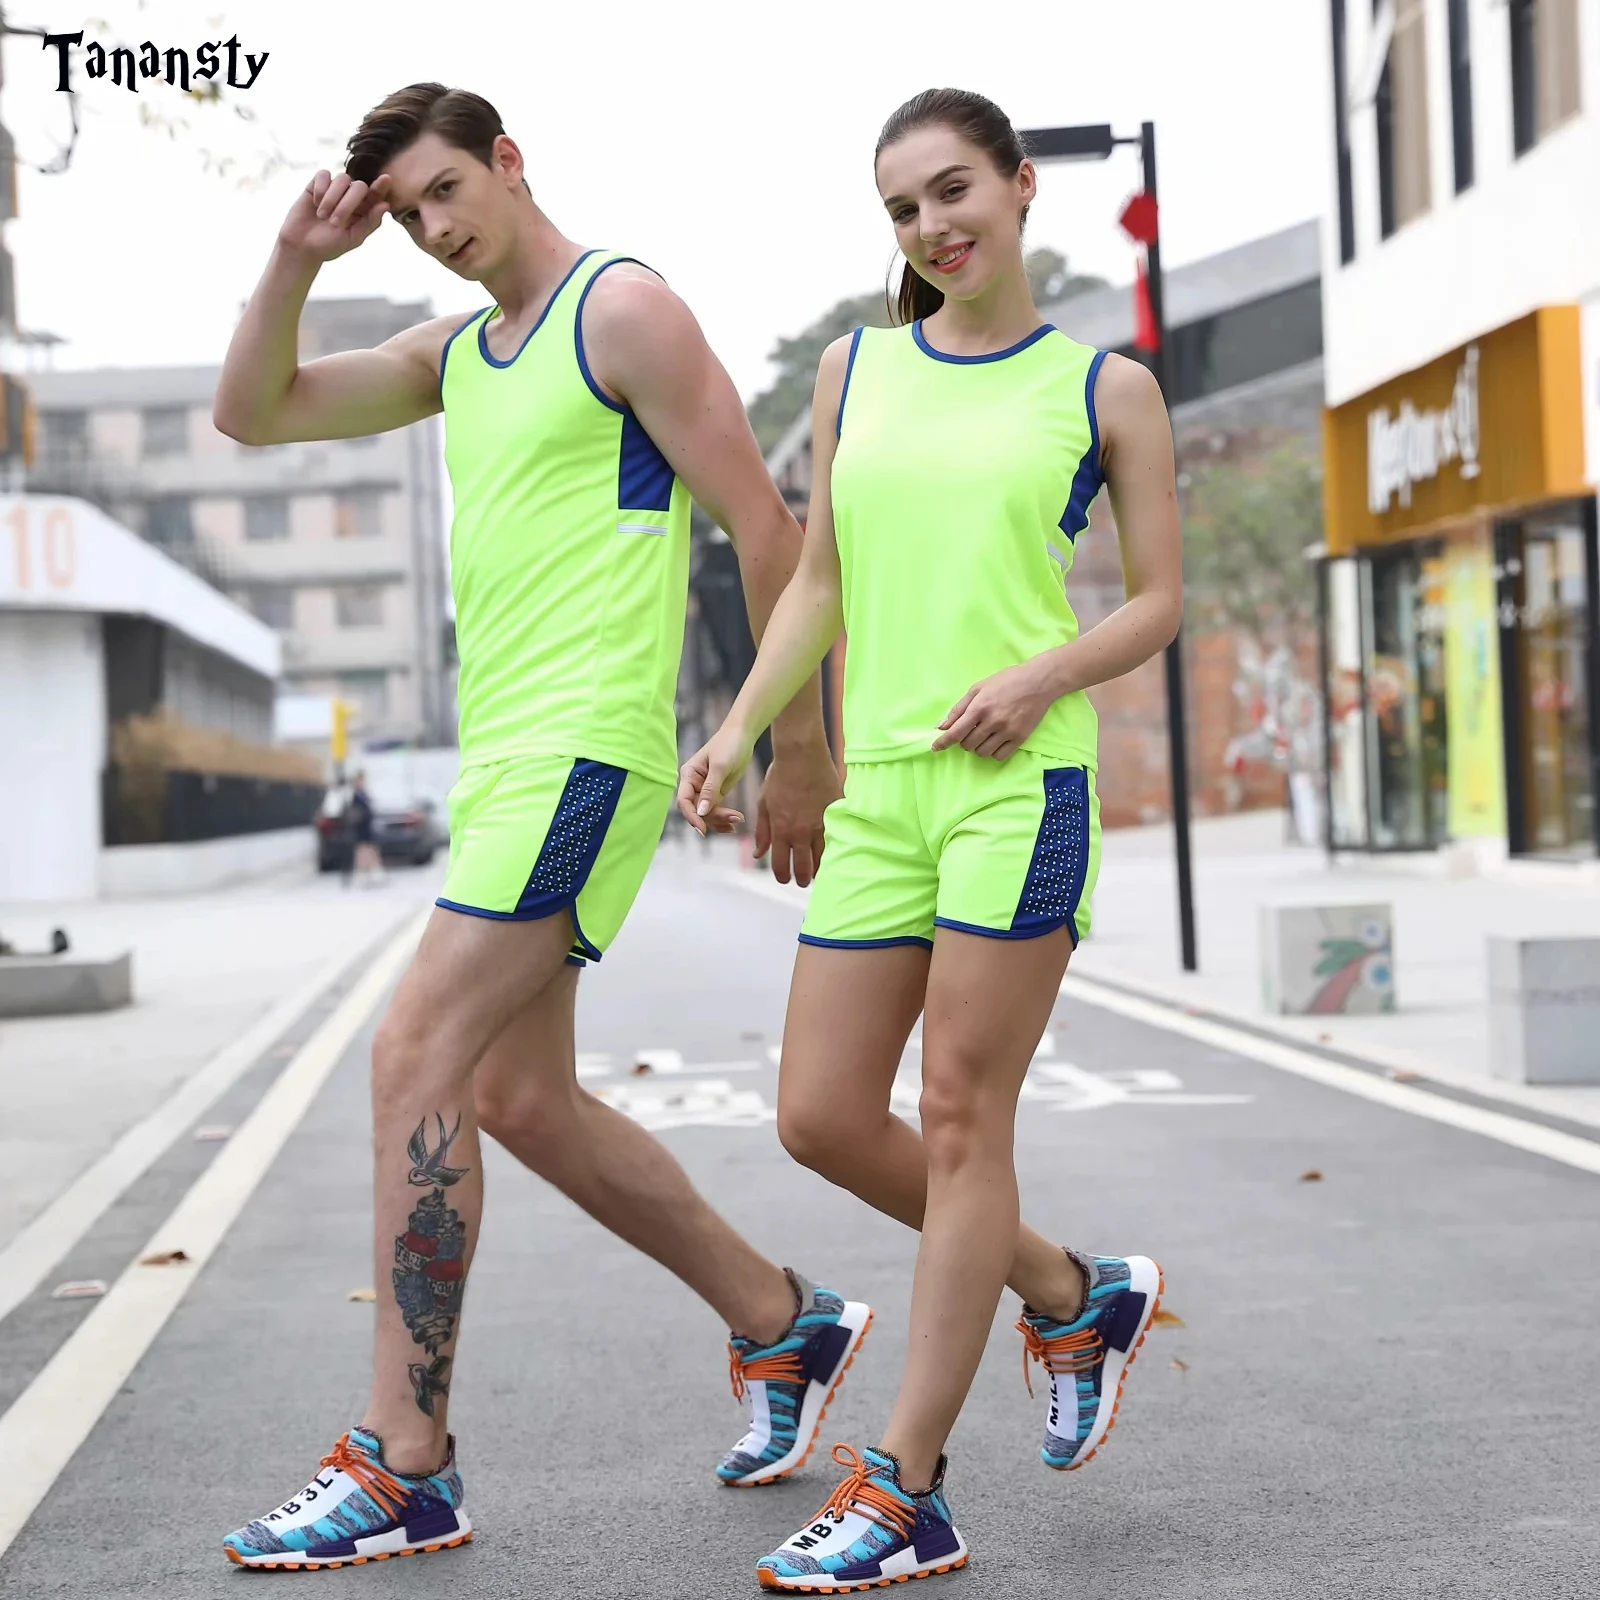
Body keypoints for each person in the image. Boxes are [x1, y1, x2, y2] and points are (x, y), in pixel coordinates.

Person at [212, 83, 864, 1570]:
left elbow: (769, 528)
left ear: (511, 162)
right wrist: (298, 260)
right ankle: (786, 1322)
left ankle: (404, 1459)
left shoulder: (618, 310)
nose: (438, 228)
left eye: (450, 190)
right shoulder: (457, 355)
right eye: (410, 213)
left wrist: (795, 748)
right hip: (504, 769)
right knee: (513, 1098)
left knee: (411, 1055)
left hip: (587, 755)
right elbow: (251, 413)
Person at [679, 87, 1180, 1589]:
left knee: (963, 1119)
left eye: (953, 190)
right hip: (883, 794)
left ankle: (906, 1487)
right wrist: (749, 729)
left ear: (1023, 187)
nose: (932, 226)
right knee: (822, 1116)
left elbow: (1158, 598)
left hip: (1022, 790)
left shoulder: (1106, 386)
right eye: (903, 209)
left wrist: (1041, 673)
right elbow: (820, 577)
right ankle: (1070, 1292)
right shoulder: (858, 369)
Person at [347, 769, 384, 886]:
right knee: (362, 852)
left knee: (371, 850)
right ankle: (365, 876)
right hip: (361, 827)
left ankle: (375, 874)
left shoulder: (363, 794)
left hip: (367, 827)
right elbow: (356, 812)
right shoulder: (356, 795)